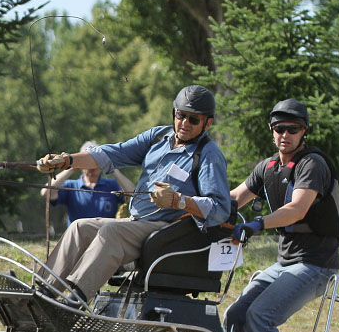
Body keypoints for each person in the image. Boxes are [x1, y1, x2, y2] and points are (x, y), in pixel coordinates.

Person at [36, 85, 231, 305]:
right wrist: (67, 160)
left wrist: (179, 201)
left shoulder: (208, 155)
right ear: (174, 113)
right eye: (181, 115)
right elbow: (112, 154)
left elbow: (220, 209)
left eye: (194, 119)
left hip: (167, 231)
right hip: (136, 222)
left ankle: (74, 302)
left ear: (208, 123)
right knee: (79, 227)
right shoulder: (158, 137)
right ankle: (43, 294)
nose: (185, 123)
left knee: (112, 231)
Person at [224, 98, 339, 332]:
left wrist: (256, 225)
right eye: (279, 128)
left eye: (293, 129)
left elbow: (297, 209)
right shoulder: (268, 167)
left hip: (316, 265)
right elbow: (234, 198)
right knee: (234, 316)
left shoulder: (311, 164)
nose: (285, 135)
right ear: (272, 131)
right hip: (285, 263)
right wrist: (189, 202)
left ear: (304, 132)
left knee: (260, 317)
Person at [40, 141, 134, 226]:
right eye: (87, 163)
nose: (91, 168)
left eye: (95, 162)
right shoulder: (71, 186)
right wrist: (72, 166)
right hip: (78, 238)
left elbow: (133, 195)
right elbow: (46, 192)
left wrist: (112, 168)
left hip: (106, 237)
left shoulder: (111, 185)